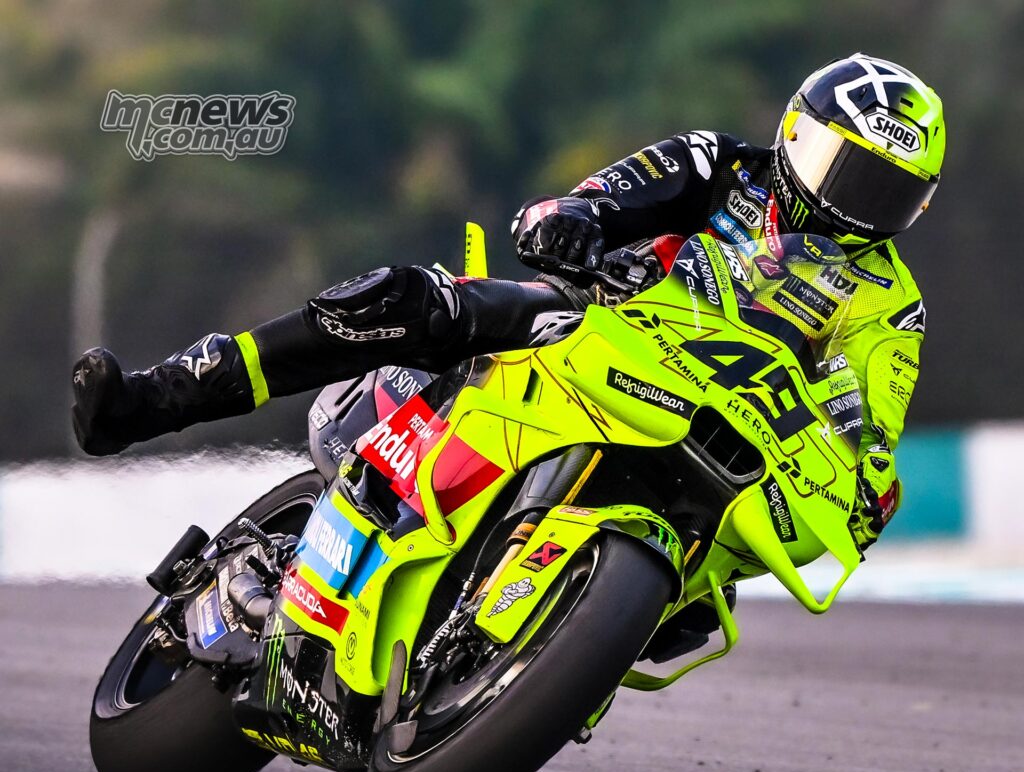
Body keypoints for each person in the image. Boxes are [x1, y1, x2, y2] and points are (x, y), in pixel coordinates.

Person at [73, 53, 944, 560]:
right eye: (849, 170)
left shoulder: (889, 305)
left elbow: (871, 418)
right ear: (798, 136)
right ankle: (155, 397)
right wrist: (572, 220)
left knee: (706, 595)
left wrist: (867, 481)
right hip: (601, 322)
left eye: (889, 190)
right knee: (409, 301)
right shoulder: (723, 165)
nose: (858, 204)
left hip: (713, 437)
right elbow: (605, 197)